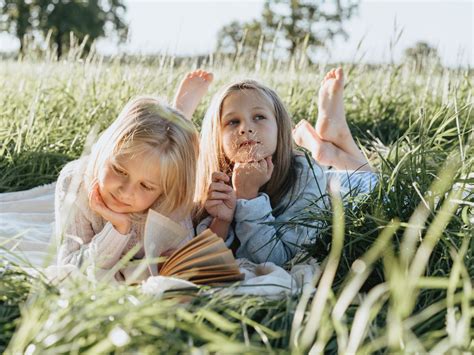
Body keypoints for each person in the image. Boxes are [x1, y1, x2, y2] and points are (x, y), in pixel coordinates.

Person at [194, 67, 378, 266]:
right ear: (217, 138)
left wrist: (248, 197)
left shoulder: (305, 175)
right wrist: (221, 221)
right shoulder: (216, 181)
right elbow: (203, 261)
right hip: (330, 178)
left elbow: (279, 259)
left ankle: (334, 141)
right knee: (340, 168)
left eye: (259, 117)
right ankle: (330, 148)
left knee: (370, 177)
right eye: (232, 121)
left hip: (354, 191)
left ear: (280, 128)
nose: (245, 128)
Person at [55, 70, 213, 271]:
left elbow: (181, 259)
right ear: (105, 152)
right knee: (159, 151)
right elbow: (70, 267)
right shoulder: (74, 182)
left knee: (172, 154)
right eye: (120, 170)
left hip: (168, 169)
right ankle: (176, 117)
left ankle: (178, 118)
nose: (126, 191)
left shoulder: (170, 198)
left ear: (162, 192)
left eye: (146, 186)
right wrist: (118, 229)